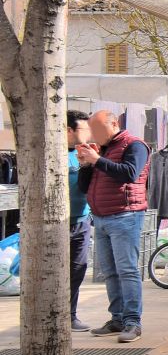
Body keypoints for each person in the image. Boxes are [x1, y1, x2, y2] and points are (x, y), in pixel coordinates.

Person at [76, 110, 150, 343]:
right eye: (92, 130)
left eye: (99, 129)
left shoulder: (135, 145)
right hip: (101, 217)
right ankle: (117, 318)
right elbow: (83, 187)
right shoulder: (103, 150)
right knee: (109, 272)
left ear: (115, 124)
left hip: (125, 216)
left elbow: (130, 173)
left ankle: (132, 322)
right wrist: (86, 165)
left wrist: (98, 160)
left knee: (127, 270)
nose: (95, 135)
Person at [67, 110, 92, 332]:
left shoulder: (85, 153)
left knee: (78, 269)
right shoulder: (53, 155)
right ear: (69, 130)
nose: (89, 133)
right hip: (58, 223)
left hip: (82, 220)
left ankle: (70, 315)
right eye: (85, 128)